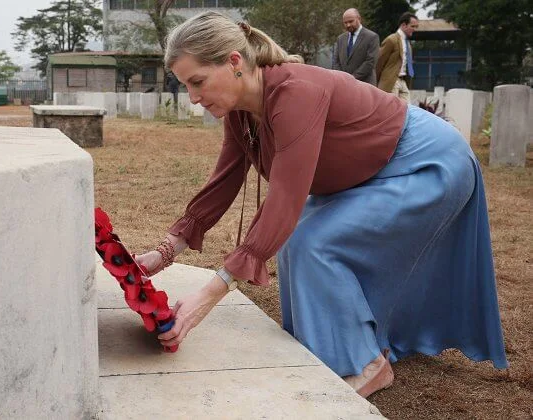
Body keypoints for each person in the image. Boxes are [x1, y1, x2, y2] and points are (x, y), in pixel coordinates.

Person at [135, 11, 508, 398]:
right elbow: (224, 181)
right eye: (186, 86)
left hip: (428, 160)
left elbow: (286, 198)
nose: (193, 98)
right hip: (375, 166)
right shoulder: (240, 112)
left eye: (197, 82)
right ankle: (343, 345)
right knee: (300, 239)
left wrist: (209, 294)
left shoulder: (295, 91)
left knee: (313, 240)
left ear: (233, 62)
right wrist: (167, 250)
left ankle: (367, 365)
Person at [376, 12, 419, 101]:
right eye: (412, 26)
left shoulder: (408, 43)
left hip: (403, 81)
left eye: (416, 27)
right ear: (404, 25)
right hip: (391, 81)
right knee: (391, 110)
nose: (415, 29)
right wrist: (377, 82)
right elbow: (379, 62)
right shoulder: (391, 40)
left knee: (407, 110)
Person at [332, 8, 380, 86]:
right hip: (344, 85)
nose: (348, 25)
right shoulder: (340, 39)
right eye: (345, 23)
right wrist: (342, 78)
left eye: (351, 21)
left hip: (365, 85)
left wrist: (352, 78)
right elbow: (336, 61)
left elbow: (370, 62)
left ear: (359, 19)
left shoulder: (372, 37)